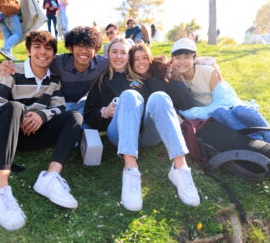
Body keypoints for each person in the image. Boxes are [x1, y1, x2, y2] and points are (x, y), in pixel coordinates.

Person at [84, 38, 200, 211]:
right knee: (129, 95)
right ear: (108, 55)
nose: (118, 56)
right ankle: (131, 170)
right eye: (114, 52)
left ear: (128, 56)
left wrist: (204, 60)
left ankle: (180, 168)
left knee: (160, 96)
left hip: (147, 135)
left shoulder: (141, 79)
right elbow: (88, 115)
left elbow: (164, 64)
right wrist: (104, 112)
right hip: (120, 135)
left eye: (123, 52)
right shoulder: (101, 81)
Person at [0, 31, 82, 231]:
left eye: (48, 48)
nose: (42, 52)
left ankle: (50, 178)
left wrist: (41, 116)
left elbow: (60, 107)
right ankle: (0, 190)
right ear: (28, 51)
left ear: (54, 54)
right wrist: (17, 116)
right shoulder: (12, 70)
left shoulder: (53, 79)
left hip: (30, 135)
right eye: (37, 47)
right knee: (15, 107)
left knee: (74, 117)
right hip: (0, 134)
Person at [170, 38, 270, 180]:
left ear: (194, 58)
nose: (181, 62)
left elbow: (221, 101)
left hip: (229, 102)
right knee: (221, 114)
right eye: (177, 58)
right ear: (173, 59)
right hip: (218, 113)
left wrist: (193, 113)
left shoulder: (208, 72)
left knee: (240, 110)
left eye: (186, 57)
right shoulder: (177, 78)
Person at [0, 26, 107, 116]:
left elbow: (120, 64)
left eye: (88, 46)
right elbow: (38, 60)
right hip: (61, 105)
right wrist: (9, 66)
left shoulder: (103, 64)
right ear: (70, 48)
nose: (83, 51)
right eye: (79, 46)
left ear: (96, 50)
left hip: (85, 106)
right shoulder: (57, 63)